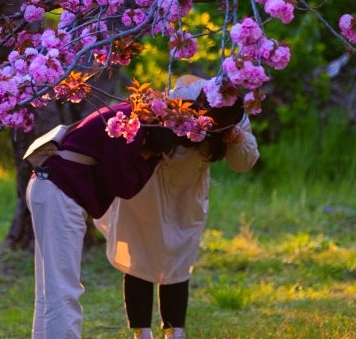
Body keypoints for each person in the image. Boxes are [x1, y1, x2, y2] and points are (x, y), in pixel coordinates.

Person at [96, 77, 260, 339]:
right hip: (148, 185)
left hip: (186, 193)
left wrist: (236, 136)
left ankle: (175, 331)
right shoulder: (182, 96)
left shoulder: (234, 110)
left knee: (178, 256)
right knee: (138, 254)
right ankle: (141, 332)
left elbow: (245, 162)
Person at [27, 101, 182, 339]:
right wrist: (152, 161)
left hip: (47, 187)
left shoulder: (126, 113)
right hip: (59, 193)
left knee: (50, 289)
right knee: (63, 290)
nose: (141, 156)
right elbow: (123, 183)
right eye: (145, 151)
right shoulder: (131, 127)